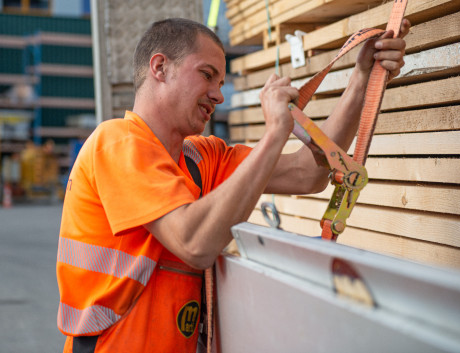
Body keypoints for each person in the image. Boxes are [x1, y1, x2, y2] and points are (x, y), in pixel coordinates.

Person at [56, 17, 410, 353]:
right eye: (207, 75)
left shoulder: (202, 159)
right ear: (159, 67)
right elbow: (193, 243)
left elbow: (310, 173)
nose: (218, 95)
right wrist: (275, 134)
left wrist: (361, 77)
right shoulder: (117, 142)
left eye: (221, 83)